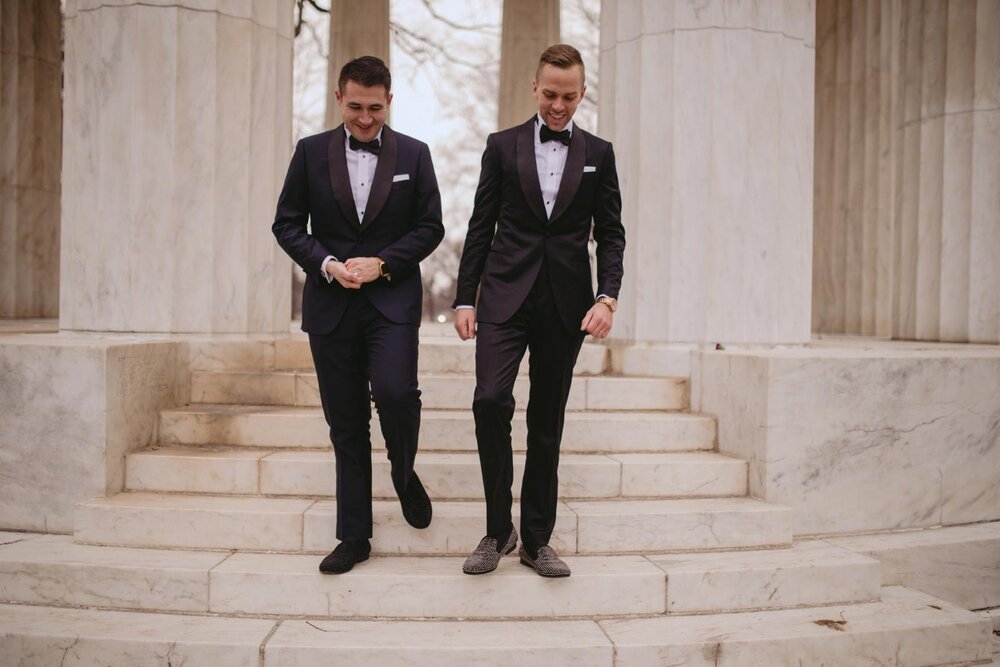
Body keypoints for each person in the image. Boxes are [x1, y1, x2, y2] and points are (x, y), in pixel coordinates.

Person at [453, 44, 625, 577]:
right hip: (503, 297)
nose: (558, 105)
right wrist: (465, 296)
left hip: (566, 305)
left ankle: (535, 540)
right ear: (535, 88)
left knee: (546, 421)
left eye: (569, 96)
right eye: (550, 94)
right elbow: (480, 226)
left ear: (582, 92)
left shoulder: (600, 152)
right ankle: (496, 529)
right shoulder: (501, 147)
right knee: (489, 401)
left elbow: (611, 234)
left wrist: (607, 295)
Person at [273, 55, 443, 574]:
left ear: (389, 101)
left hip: (391, 301)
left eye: (374, 107)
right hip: (331, 307)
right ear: (338, 98)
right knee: (345, 424)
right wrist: (325, 263)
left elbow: (431, 226)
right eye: (354, 107)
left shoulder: (416, 154)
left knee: (395, 393)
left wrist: (383, 263)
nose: (364, 118)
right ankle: (354, 537)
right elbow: (286, 225)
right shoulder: (308, 153)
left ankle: (404, 468)